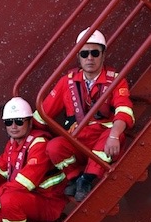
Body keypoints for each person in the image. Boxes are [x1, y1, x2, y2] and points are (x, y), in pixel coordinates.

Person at [32, 28, 134, 202]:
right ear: (78, 56)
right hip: (77, 141)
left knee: (108, 136)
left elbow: (124, 110)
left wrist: (115, 135)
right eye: (84, 53)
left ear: (103, 55)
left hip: (103, 140)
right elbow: (43, 115)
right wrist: (28, 136)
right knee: (53, 146)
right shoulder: (67, 81)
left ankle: (87, 179)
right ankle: (74, 177)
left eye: (95, 52)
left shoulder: (116, 79)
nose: (90, 58)